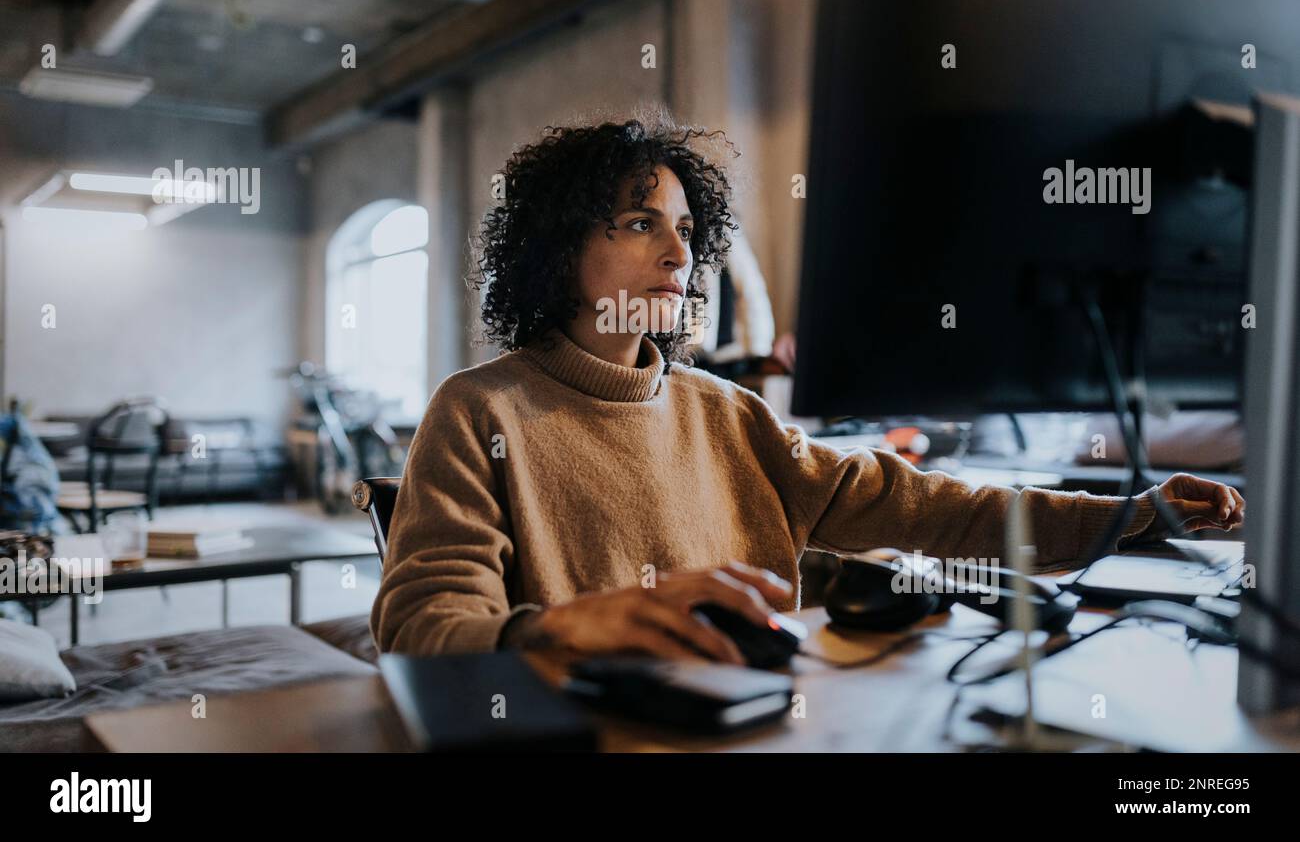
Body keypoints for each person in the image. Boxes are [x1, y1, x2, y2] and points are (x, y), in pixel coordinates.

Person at [369, 109, 1244, 665]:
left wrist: (1133, 514)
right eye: (641, 224)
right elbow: (421, 625)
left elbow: (936, 511)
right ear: (558, 251)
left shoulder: (729, 416)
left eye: (684, 230)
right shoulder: (480, 411)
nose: (678, 255)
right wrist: (560, 629)